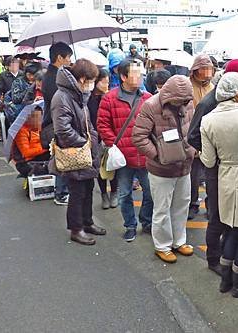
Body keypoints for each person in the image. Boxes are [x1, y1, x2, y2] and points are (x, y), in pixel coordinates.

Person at [187, 59, 238, 275]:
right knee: (217, 216)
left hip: (232, 168)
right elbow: (193, 135)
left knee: (233, 218)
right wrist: (215, 155)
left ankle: (229, 257)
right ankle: (214, 259)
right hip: (217, 169)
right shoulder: (209, 104)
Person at [200, 72, 238, 297]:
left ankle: (225, 281)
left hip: (224, 177)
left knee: (231, 232)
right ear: (237, 92)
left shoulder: (208, 120)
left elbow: (208, 160)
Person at [132, 75, 196, 263]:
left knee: (182, 205)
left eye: (185, 100)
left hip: (185, 166)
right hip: (161, 170)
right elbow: (139, 137)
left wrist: (192, 149)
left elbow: (192, 128)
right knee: (161, 209)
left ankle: (179, 241)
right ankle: (162, 245)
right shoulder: (151, 106)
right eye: (179, 100)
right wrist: (159, 155)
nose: (182, 104)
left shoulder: (188, 104)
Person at [50, 58, 107, 246]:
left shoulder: (77, 95)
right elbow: (63, 130)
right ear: (82, 79)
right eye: (91, 80)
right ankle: (76, 229)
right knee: (77, 191)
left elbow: (87, 122)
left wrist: (93, 139)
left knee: (88, 188)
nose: (92, 85)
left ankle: (87, 222)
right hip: (74, 152)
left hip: (85, 150)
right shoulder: (62, 97)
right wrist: (85, 143)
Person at [97, 59, 153, 242]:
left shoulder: (147, 97)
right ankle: (130, 225)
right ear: (123, 76)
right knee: (125, 193)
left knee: (150, 192)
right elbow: (103, 125)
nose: (139, 77)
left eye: (140, 74)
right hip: (122, 157)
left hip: (145, 155)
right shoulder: (109, 98)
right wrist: (115, 146)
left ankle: (146, 221)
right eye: (135, 74)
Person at [41, 42, 73, 206]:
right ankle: (61, 193)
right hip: (56, 123)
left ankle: (62, 191)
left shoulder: (52, 74)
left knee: (61, 156)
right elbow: (60, 103)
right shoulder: (54, 78)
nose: (69, 61)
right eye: (68, 57)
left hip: (54, 121)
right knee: (61, 156)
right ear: (59, 57)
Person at [187, 54, 215, 220]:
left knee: (211, 175)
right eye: (203, 68)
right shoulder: (188, 86)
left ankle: (210, 205)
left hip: (211, 135)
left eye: (209, 68)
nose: (206, 72)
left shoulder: (213, 88)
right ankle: (192, 204)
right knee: (193, 175)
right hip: (193, 134)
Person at [87, 67, 118, 210]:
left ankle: (114, 193)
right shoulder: (89, 98)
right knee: (100, 166)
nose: (107, 85)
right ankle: (104, 194)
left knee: (113, 164)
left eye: (108, 82)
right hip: (95, 137)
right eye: (104, 82)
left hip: (111, 136)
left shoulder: (111, 97)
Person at [13, 108, 50, 178]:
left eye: (39, 117)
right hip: (25, 162)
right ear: (28, 118)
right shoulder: (21, 131)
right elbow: (26, 153)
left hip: (36, 156)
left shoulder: (37, 128)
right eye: (35, 117)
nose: (38, 120)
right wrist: (44, 149)